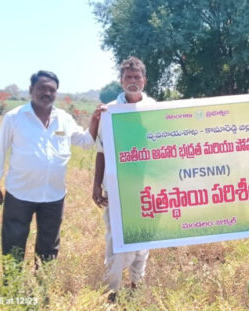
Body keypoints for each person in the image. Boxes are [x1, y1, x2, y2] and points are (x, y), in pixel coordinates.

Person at [0, 71, 100, 266]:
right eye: (42, 88)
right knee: (13, 244)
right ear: (31, 90)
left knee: (49, 247)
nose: (47, 93)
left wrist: (95, 120)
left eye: (52, 90)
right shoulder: (15, 117)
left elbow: (85, 142)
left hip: (53, 195)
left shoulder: (63, 119)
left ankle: (44, 287)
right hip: (20, 193)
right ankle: (12, 289)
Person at [91, 56, 156, 302]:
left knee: (142, 236)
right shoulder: (110, 111)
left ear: (144, 80)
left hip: (145, 186)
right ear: (121, 80)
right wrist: (96, 185)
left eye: (137, 77)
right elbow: (101, 151)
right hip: (117, 188)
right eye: (128, 77)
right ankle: (112, 290)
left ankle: (136, 284)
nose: (132, 81)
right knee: (115, 238)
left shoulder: (153, 108)